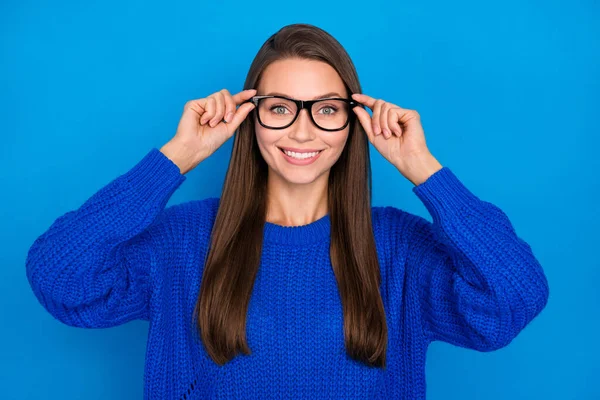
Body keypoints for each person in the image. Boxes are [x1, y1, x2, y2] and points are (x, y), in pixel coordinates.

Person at [25, 23, 550, 399]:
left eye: (327, 110)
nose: (303, 131)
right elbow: (60, 277)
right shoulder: (183, 242)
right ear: (249, 119)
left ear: (354, 124)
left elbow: (512, 301)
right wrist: (176, 157)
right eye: (280, 108)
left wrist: (424, 170)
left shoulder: (400, 248)